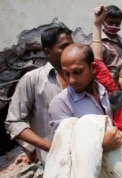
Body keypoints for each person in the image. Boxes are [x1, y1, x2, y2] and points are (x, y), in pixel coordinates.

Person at [45, 5, 122, 178]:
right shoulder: (60, 103)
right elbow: (64, 153)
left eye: (77, 72)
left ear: (92, 69)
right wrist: (99, 145)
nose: (71, 80)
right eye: (67, 73)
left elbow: (121, 119)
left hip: (118, 163)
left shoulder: (108, 90)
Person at [4, 25, 73, 165]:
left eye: (72, 46)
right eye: (64, 47)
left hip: (86, 158)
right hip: (54, 162)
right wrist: (43, 147)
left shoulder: (82, 76)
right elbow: (14, 122)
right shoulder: (33, 79)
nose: (70, 51)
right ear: (48, 52)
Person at [101, 5, 122, 76]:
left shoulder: (118, 37)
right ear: (103, 22)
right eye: (110, 23)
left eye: (117, 24)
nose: (114, 26)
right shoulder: (100, 44)